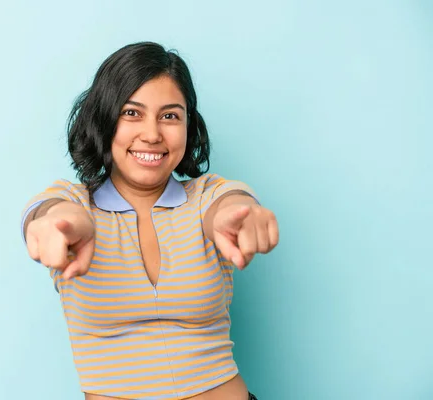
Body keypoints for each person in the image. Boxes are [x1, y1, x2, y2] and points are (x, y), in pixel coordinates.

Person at [21, 42, 279, 400]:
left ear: (189, 125)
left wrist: (241, 217)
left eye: (170, 115)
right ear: (104, 118)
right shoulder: (73, 202)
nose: (153, 133)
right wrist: (58, 223)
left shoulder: (207, 196)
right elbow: (50, 213)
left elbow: (229, 205)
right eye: (132, 113)